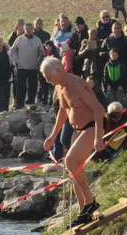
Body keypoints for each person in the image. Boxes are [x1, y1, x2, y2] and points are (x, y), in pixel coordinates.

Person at [42, 57, 105, 225]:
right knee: (73, 171)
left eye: (48, 76)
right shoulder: (59, 86)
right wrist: (53, 136)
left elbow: (99, 110)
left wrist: (98, 136)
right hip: (77, 130)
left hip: (91, 127)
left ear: (59, 71)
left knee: (70, 161)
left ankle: (91, 202)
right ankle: (83, 210)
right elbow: (63, 112)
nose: (46, 80)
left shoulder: (77, 84)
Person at [10, 22, 43, 108]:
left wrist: (38, 60)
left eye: (30, 29)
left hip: (33, 67)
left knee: (33, 85)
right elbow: (12, 50)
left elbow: (41, 52)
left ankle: (31, 101)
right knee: (21, 86)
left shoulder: (37, 40)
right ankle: (20, 103)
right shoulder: (19, 39)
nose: (28, 30)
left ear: (33, 29)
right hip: (21, 67)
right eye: (26, 29)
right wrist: (17, 61)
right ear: (24, 29)